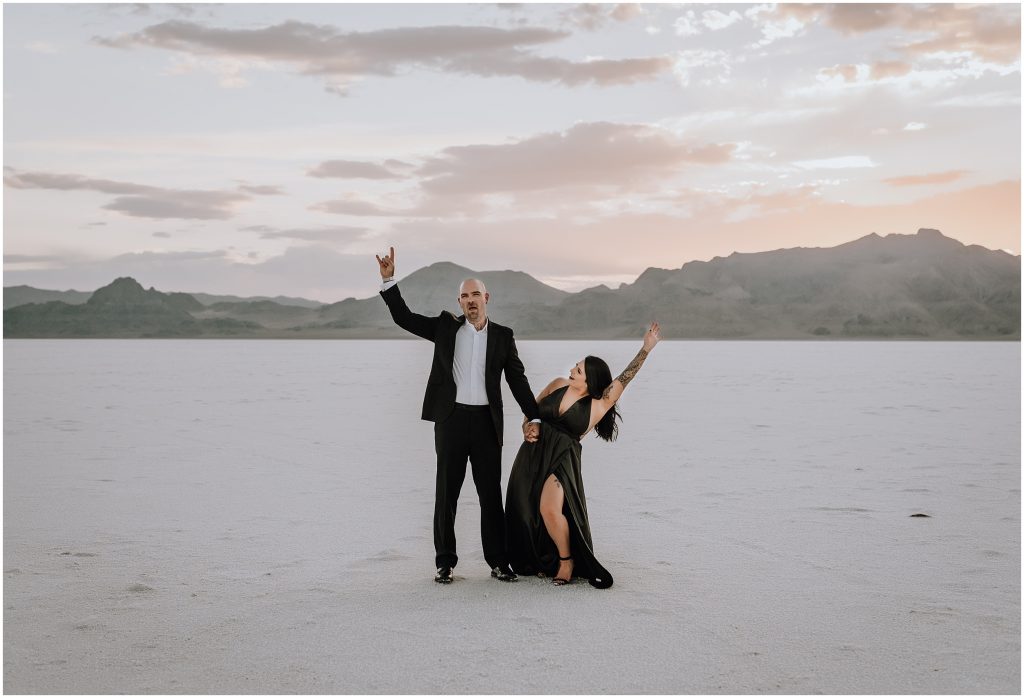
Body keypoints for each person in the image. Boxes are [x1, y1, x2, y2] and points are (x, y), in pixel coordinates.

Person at [375, 246, 541, 585]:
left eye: (476, 294)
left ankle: (498, 561)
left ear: (486, 297)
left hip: (485, 423)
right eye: (464, 296)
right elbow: (403, 317)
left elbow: (517, 379)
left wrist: (533, 415)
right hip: (450, 420)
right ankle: (444, 563)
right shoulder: (445, 328)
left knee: (490, 495)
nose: (470, 300)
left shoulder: (503, 337)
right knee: (446, 493)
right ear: (459, 302)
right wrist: (389, 279)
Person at [504, 322, 661, 589]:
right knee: (522, 506)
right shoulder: (557, 385)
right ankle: (537, 559)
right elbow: (531, 409)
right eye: (575, 366)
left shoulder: (598, 405)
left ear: (590, 381)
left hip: (562, 458)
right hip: (532, 452)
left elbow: (625, 378)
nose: (572, 370)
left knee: (549, 510)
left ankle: (566, 561)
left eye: (578, 370)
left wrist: (645, 350)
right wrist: (526, 426)